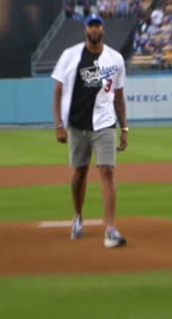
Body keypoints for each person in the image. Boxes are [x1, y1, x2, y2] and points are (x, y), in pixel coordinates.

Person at [50, 14, 129, 249]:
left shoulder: (115, 59)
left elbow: (119, 96)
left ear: (103, 30)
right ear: (86, 29)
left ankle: (110, 229)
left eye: (98, 26)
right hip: (76, 123)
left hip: (104, 123)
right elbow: (57, 92)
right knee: (79, 173)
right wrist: (58, 125)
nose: (94, 30)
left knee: (107, 171)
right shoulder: (70, 55)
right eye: (91, 26)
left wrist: (124, 127)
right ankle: (77, 217)